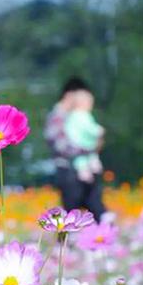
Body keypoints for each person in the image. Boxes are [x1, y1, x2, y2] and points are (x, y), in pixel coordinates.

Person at [44, 77, 106, 221]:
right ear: (69, 94)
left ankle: (104, 235)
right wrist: (88, 149)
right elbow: (61, 146)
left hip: (84, 167)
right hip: (68, 170)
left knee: (95, 205)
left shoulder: (78, 115)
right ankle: (65, 241)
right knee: (72, 209)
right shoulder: (58, 116)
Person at [64, 90, 104, 183]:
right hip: (84, 142)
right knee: (88, 157)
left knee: (80, 161)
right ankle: (89, 170)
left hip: (75, 144)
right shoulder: (83, 115)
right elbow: (89, 128)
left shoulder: (71, 115)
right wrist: (99, 130)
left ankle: (85, 171)